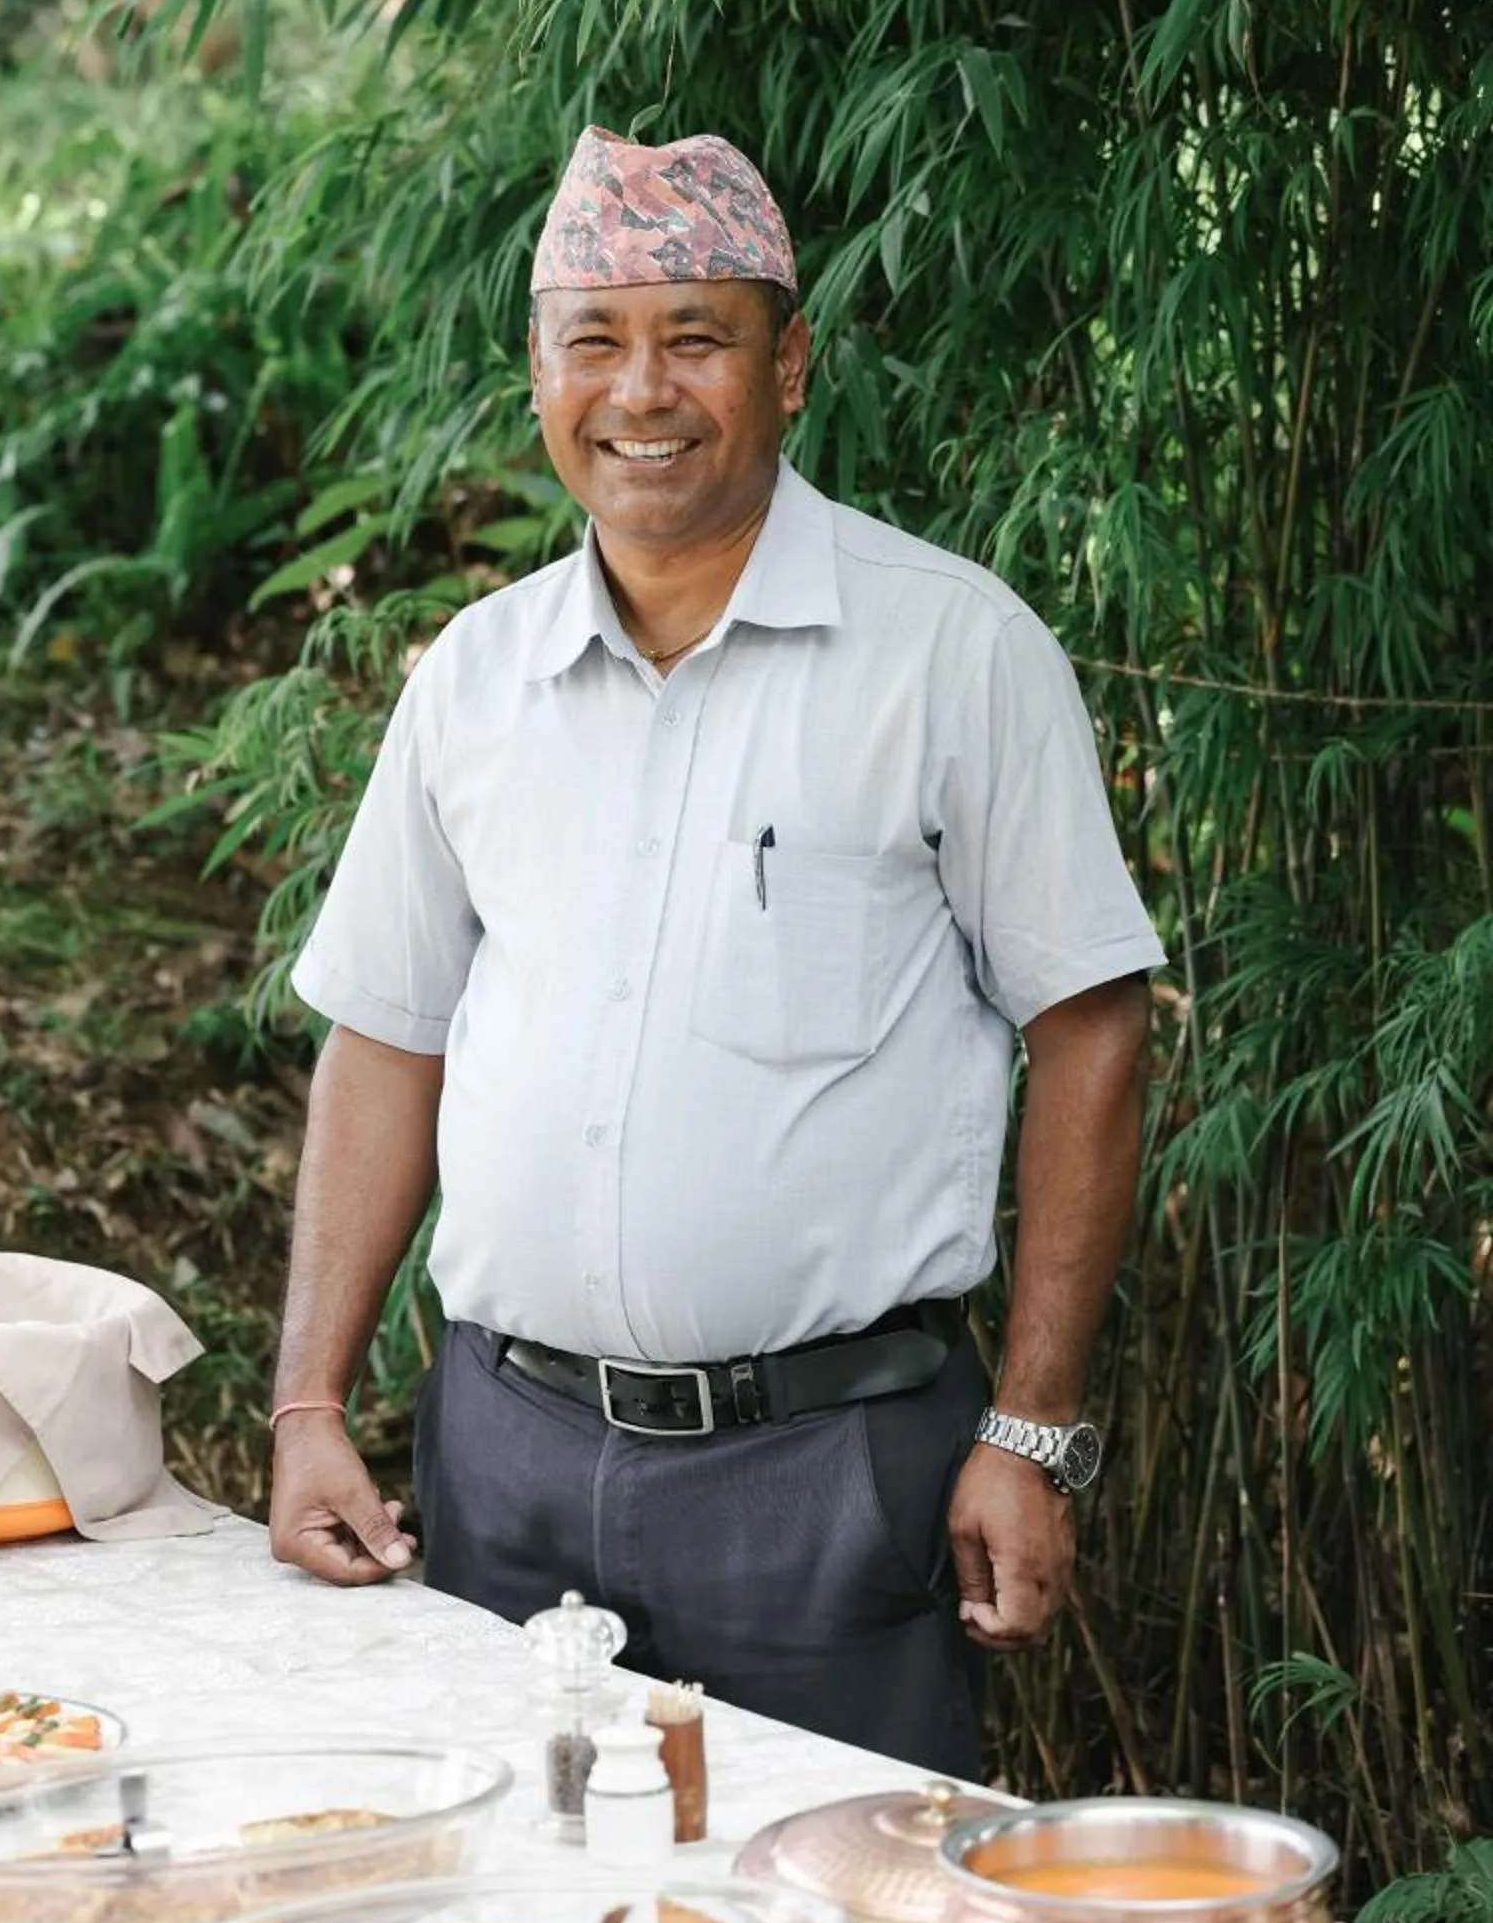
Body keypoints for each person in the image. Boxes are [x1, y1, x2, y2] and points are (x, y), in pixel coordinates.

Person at [267, 125, 1162, 1775]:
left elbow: (1093, 1030)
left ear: (791, 362)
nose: (642, 391)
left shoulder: (950, 653)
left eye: (697, 337)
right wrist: (309, 1404)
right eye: (593, 340)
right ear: (539, 373)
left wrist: (1029, 1430)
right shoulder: (475, 680)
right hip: (506, 1460)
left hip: (828, 1474)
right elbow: (387, 1038)